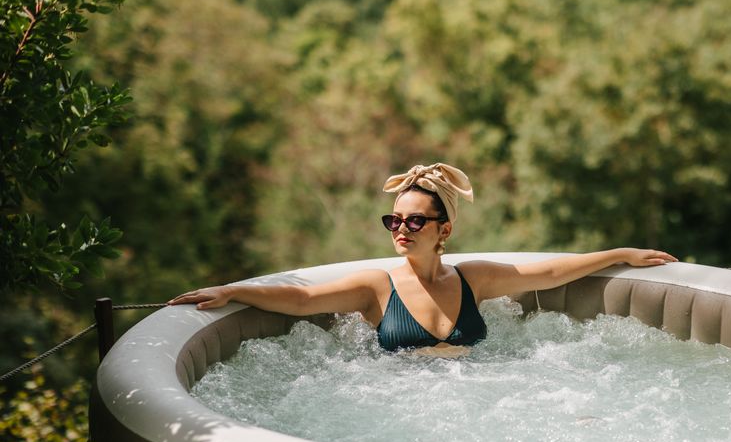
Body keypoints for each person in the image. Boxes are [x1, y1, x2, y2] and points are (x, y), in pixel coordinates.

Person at [167, 163, 678, 352]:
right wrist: (234, 289)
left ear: (444, 229)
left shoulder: (472, 280)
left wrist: (620, 253)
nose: (401, 229)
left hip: (483, 397)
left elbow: (545, 271)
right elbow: (302, 299)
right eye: (394, 220)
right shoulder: (376, 287)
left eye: (414, 221)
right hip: (407, 406)